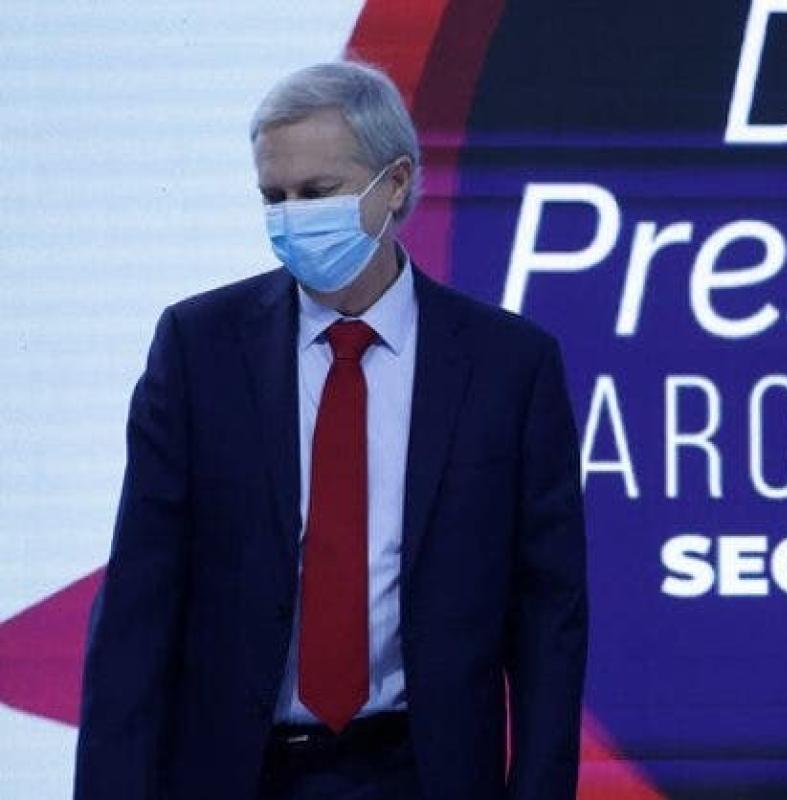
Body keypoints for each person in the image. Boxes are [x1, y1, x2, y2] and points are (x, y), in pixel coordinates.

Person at [75, 61, 587, 799]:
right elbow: (137, 608)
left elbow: (548, 621)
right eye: (273, 197)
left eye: (316, 193)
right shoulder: (199, 349)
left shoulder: (509, 366)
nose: (290, 218)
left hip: (425, 774)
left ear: (395, 183)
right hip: (239, 774)